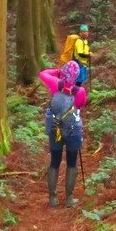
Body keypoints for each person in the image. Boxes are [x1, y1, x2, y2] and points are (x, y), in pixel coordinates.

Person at [39, 59, 87, 208]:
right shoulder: (80, 92)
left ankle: (52, 198)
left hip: (56, 128)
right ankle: (69, 199)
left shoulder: (55, 84)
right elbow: (81, 104)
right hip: (72, 131)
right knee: (72, 162)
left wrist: (58, 72)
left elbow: (42, 73)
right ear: (77, 76)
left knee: (55, 160)